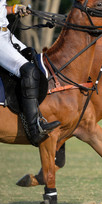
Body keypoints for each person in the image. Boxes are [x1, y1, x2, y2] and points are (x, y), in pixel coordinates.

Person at [0, 0, 60, 146]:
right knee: (29, 71)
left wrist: (14, 8)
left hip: (5, 33)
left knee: (34, 60)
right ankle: (34, 130)